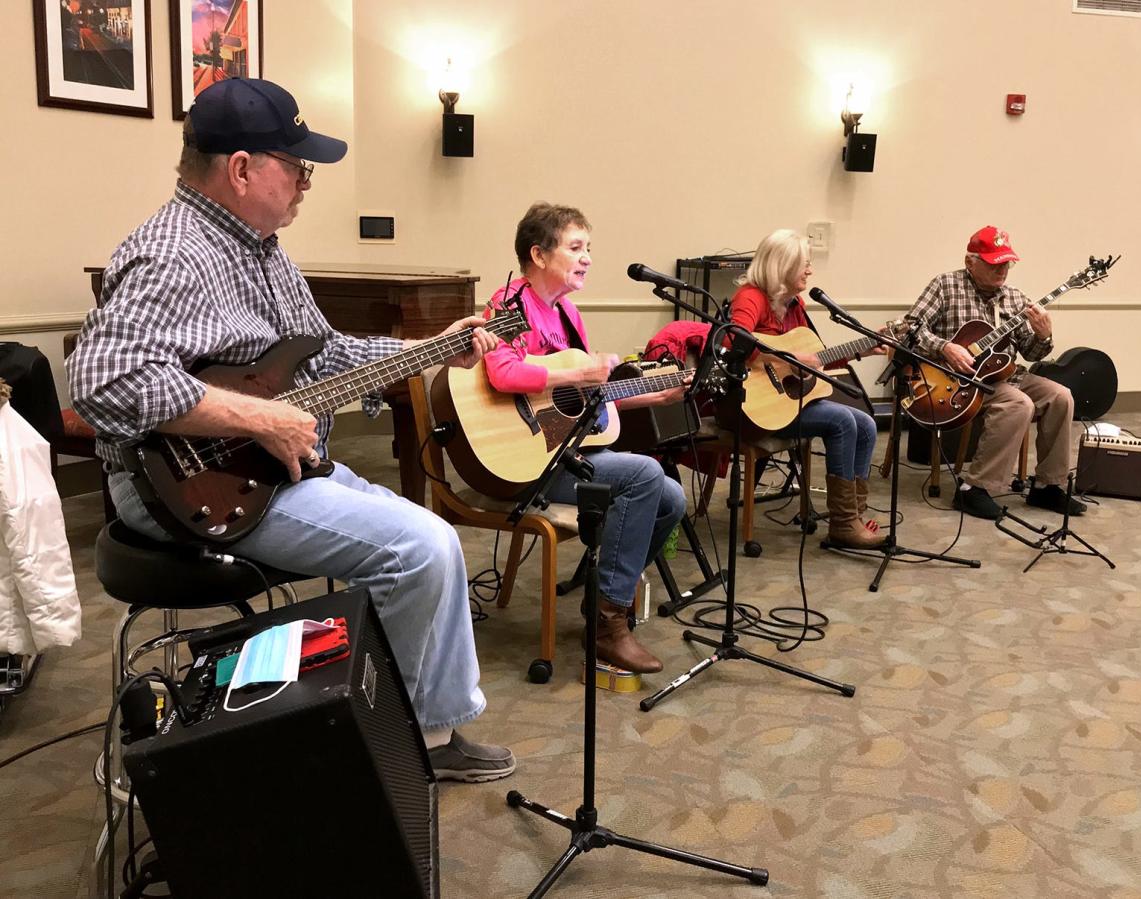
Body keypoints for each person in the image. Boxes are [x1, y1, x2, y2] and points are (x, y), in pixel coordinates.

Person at [68, 78, 514, 783]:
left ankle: (427, 726)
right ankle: (370, 753)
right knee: (420, 547)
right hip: (181, 488)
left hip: (266, 471)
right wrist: (257, 416)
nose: (308, 181)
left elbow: (327, 354)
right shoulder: (175, 252)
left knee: (439, 545)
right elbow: (101, 380)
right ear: (242, 169)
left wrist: (432, 350)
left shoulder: (263, 249)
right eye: (297, 165)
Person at [482, 203, 686, 674]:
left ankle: (605, 599)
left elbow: (584, 398)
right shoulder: (507, 304)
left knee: (671, 499)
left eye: (588, 248)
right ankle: (609, 626)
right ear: (538, 254)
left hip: (564, 449)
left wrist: (652, 397)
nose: (588, 257)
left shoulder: (568, 313)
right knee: (643, 473)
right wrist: (581, 369)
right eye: (576, 247)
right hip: (525, 460)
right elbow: (502, 371)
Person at [904, 225, 1084, 520]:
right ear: (970, 262)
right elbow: (910, 329)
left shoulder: (1014, 298)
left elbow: (1032, 353)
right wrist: (945, 347)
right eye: (994, 264)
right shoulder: (945, 286)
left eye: (1006, 263)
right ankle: (973, 489)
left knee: (1061, 396)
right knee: (1017, 403)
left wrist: (1043, 337)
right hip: (959, 381)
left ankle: (1048, 486)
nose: (1002, 270)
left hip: (1007, 374)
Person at [729, 228, 884, 549]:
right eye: (805, 263)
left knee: (867, 423)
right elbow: (735, 340)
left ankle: (853, 515)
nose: (810, 270)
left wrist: (864, 348)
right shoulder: (751, 297)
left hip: (790, 402)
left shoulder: (795, 304)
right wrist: (786, 355)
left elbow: (815, 357)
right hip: (752, 407)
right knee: (842, 421)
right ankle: (843, 525)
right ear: (782, 265)